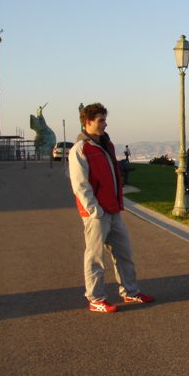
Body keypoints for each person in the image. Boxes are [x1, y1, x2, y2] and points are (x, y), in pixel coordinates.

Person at [68, 103, 154, 313]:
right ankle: (95, 298)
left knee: (124, 253)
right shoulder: (80, 149)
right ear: (87, 122)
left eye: (105, 120)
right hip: (96, 214)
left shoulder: (107, 144)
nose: (105, 124)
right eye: (101, 120)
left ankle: (130, 291)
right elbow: (80, 185)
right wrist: (95, 210)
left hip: (113, 210)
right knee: (95, 258)